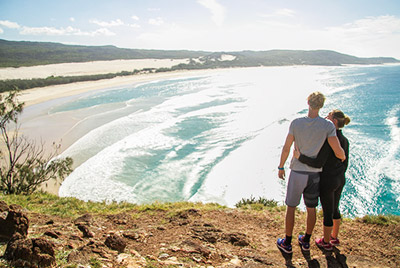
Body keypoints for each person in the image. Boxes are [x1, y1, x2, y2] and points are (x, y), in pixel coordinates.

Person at [276, 92, 345, 254]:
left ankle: (287, 242)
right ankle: (306, 241)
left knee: (291, 207)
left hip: (297, 172)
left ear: (308, 102)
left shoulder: (296, 123)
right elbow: (339, 152)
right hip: (314, 175)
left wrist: (281, 167)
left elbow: (286, 148)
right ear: (321, 105)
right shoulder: (328, 126)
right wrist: (342, 158)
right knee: (311, 208)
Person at [294, 109, 350, 251]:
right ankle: (334, 237)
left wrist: (300, 157)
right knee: (335, 207)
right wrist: (338, 174)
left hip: (328, 181)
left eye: (328, 116)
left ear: (334, 121)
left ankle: (325, 241)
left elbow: (318, 162)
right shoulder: (344, 140)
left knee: (327, 212)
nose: (325, 118)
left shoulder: (330, 140)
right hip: (340, 178)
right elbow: (345, 163)